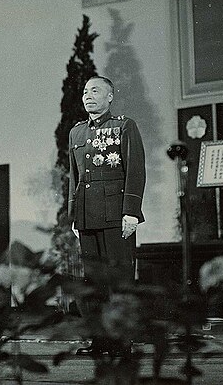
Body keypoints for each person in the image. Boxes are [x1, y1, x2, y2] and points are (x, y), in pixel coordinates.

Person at [67, 76, 146, 356]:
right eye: (86, 91)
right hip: (87, 217)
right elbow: (74, 178)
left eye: (96, 91)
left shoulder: (124, 126)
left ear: (110, 97)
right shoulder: (76, 134)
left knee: (120, 280)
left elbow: (135, 170)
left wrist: (131, 212)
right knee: (95, 282)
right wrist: (73, 216)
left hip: (116, 215)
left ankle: (123, 340)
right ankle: (100, 341)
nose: (88, 96)